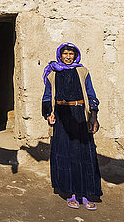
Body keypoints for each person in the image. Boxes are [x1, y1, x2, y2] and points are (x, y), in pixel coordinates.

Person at [42, 42, 102, 210]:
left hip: (80, 115)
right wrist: (49, 114)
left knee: (83, 154)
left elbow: (91, 94)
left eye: (71, 54)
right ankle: (71, 193)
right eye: (65, 54)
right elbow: (47, 96)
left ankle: (85, 194)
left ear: (76, 55)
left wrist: (93, 117)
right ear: (60, 55)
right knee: (66, 154)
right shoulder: (52, 74)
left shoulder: (83, 72)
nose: (68, 57)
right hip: (61, 117)